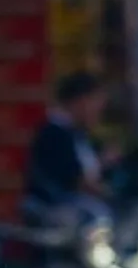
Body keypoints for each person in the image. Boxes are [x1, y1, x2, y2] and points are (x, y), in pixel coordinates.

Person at [25, 72, 114, 223]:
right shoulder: (54, 134)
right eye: (96, 103)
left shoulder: (79, 135)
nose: (99, 112)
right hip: (62, 216)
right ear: (79, 101)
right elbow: (74, 180)